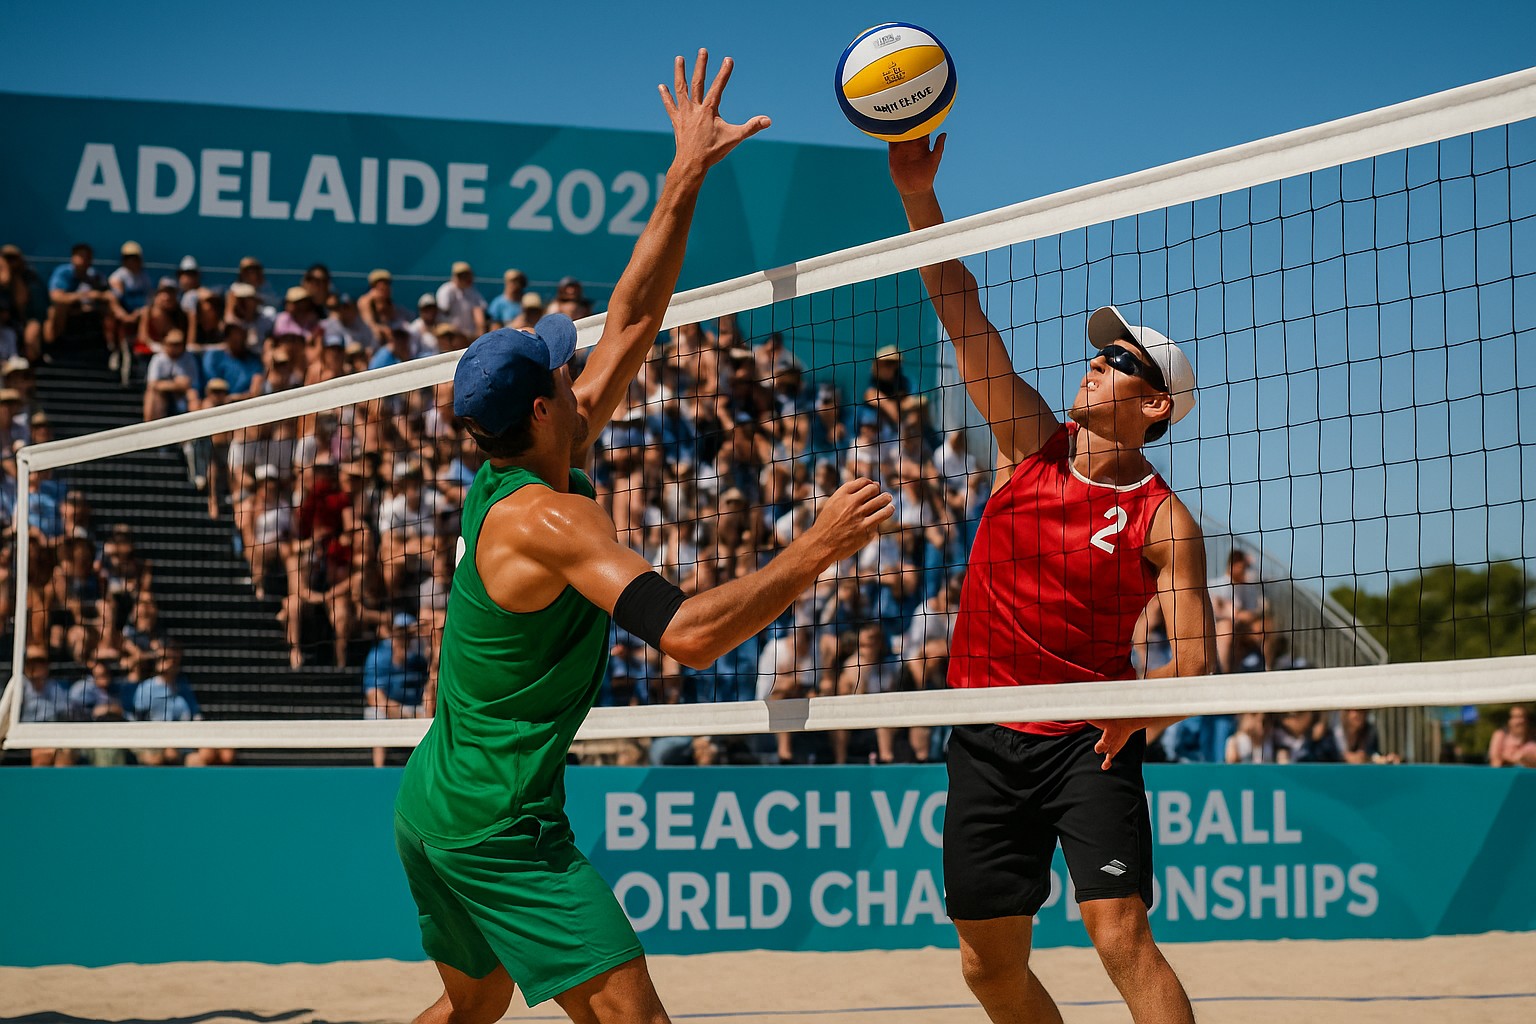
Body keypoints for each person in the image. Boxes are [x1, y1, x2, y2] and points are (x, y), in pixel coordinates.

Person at [393, 52, 885, 1023]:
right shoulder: (550, 517)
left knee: (473, 1009)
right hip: (496, 821)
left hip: (437, 802)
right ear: (544, 410)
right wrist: (816, 548)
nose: (578, 370)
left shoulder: (524, 464)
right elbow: (691, 635)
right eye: (561, 373)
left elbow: (633, 315)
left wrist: (686, 170)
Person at [889, 133, 1215, 1024]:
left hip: (1089, 738)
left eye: (1122, 362)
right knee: (987, 968)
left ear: (1155, 406)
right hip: (983, 729)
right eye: (1102, 353)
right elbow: (962, 312)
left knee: (1121, 935)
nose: (1098, 361)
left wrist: (1139, 711)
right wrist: (918, 196)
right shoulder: (1028, 442)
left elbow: (1195, 663)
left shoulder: (1164, 520)